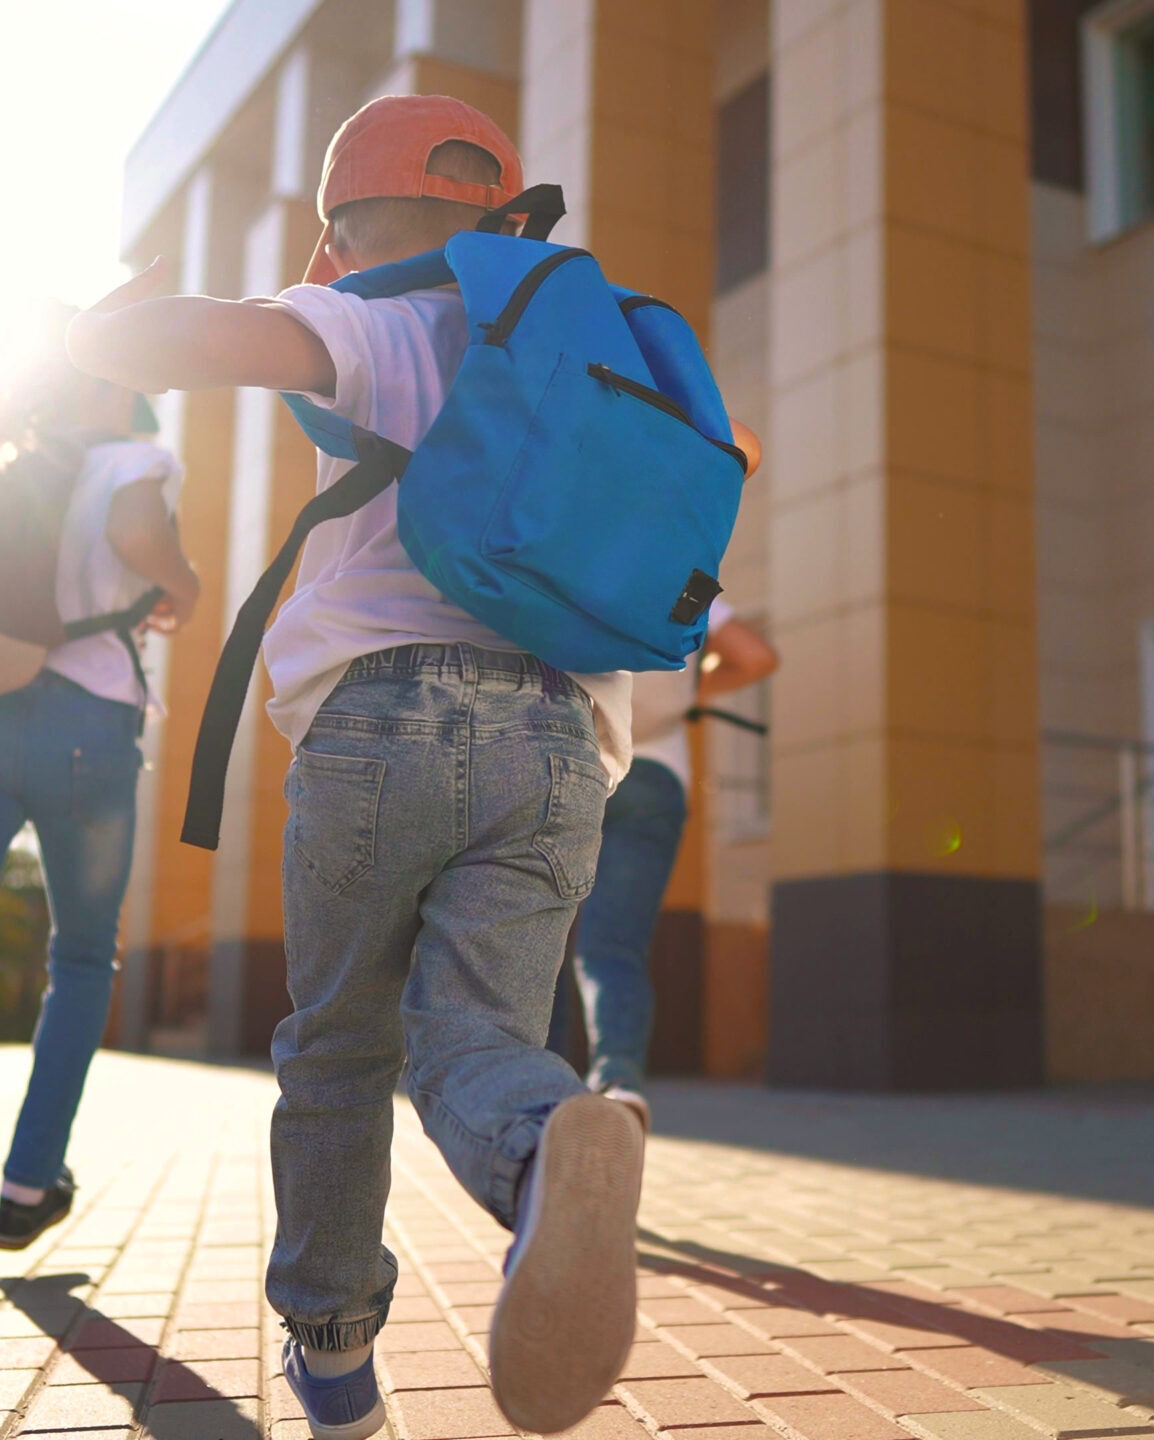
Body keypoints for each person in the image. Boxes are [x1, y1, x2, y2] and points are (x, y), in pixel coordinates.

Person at [66, 95, 749, 1439]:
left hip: (382, 721)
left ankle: (333, 1363)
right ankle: (545, 1141)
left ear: (348, 226)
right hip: (564, 741)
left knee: (336, 1047)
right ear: (502, 216)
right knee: (482, 1035)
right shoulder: (582, 334)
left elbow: (202, 340)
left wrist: (100, 325)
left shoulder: (374, 319)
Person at [0, 317, 199, 1250]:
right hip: (89, 724)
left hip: (7, 704)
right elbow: (134, 527)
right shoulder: (135, 459)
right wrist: (184, 584)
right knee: (79, 960)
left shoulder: (32, 461)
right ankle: (29, 1181)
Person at [549, 579, 777, 1128]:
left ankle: (537, 1094)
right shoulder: (686, 573)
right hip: (655, 774)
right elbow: (757, 656)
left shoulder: (576, 552)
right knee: (613, 948)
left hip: (571, 760)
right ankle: (619, 1082)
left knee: (542, 940)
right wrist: (692, 692)